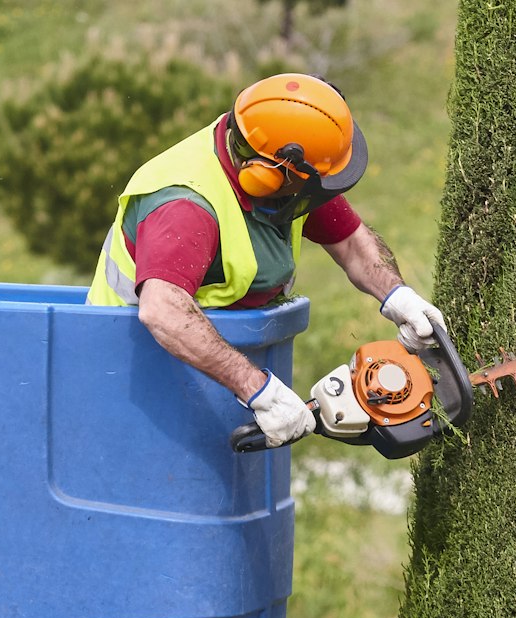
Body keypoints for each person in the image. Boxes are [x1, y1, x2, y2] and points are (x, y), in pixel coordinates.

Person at [86, 73, 446, 449]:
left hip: (209, 371)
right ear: (268, 176)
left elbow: (352, 241)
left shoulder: (277, 165)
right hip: (133, 375)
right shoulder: (186, 206)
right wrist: (260, 391)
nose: (321, 194)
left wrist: (399, 297)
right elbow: (162, 312)